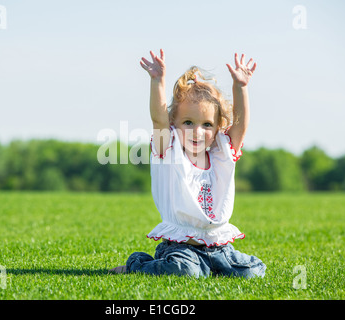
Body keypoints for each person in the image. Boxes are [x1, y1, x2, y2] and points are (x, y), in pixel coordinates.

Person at [109, 49, 266, 278]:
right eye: (188, 122)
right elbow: (158, 119)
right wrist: (157, 81)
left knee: (253, 271)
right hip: (180, 247)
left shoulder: (222, 153)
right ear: (174, 122)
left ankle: (207, 268)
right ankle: (137, 264)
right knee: (184, 271)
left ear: (218, 126)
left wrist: (240, 87)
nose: (197, 132)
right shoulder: (169, 150)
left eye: (207, 124)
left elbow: (241, 126)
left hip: (218, 248)